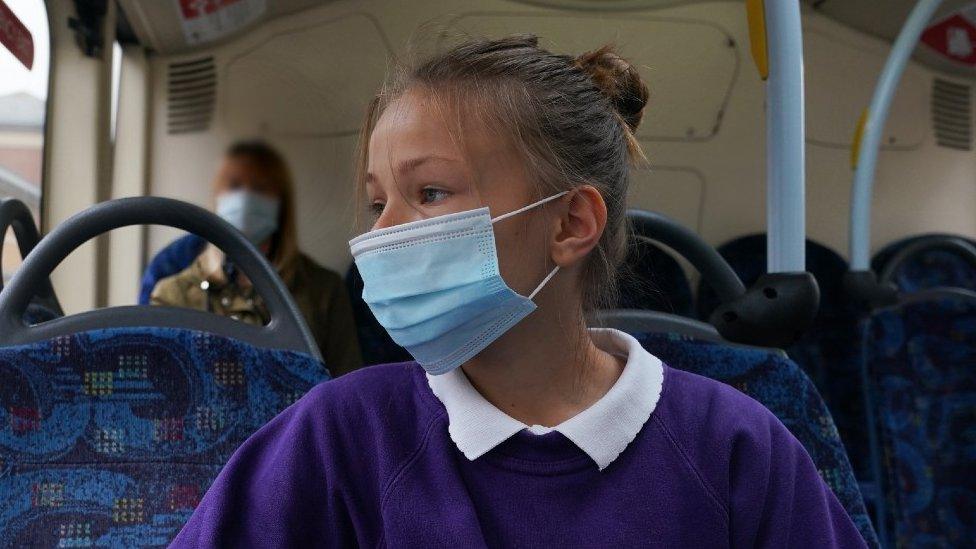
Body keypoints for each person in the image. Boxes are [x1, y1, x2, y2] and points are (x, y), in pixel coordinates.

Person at [170, 36, 866, 547]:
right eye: (379, 202)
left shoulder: (735, 445)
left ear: (570, 223)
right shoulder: (340, 433)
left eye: (431, 192)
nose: (383, 236)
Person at [150, 140, 363, 376]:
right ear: (216, 197)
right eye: (234, 185)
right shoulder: (172, 295)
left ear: (281, 203)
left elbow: (347, 384)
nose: (245, 197)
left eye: (260, 188)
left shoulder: (324, 292)